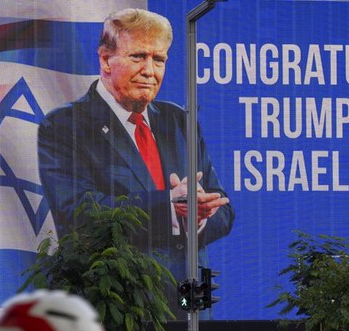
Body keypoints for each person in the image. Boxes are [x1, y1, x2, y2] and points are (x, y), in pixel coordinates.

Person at [37, 8, 235, 313]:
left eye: (159, 60)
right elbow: (78, 215)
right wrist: (168, 207)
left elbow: (223, 210)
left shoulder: (180, 121)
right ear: (105, 60)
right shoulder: (65, 126)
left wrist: (198, 215)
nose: (150, 70)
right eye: (138, 57)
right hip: (115, 306)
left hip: (187, 307)